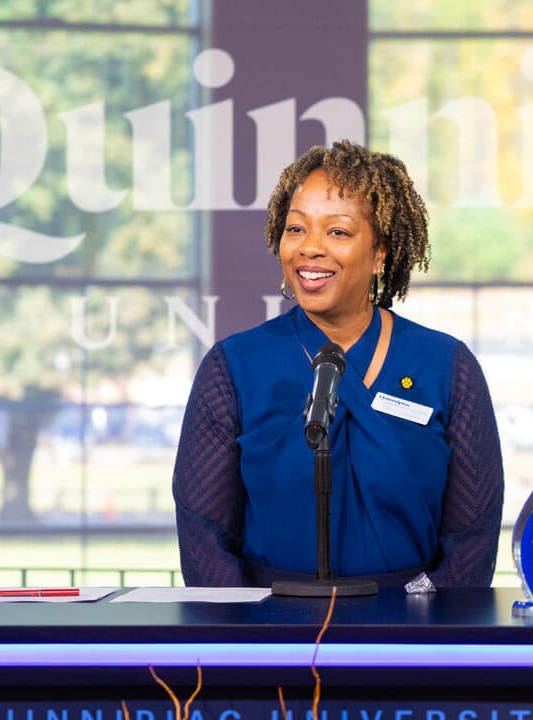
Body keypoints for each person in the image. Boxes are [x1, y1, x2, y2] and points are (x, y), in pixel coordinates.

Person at [172, 140, 504, 589]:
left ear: (380, 252)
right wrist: (248, 642)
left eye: (338, 232)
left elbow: (472, 537)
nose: (310, 249)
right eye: (296, 229)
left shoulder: (446, 368)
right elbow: (204, 538)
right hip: (268, 635)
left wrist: (428, 629)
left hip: (411, 634)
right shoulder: (232, 369)